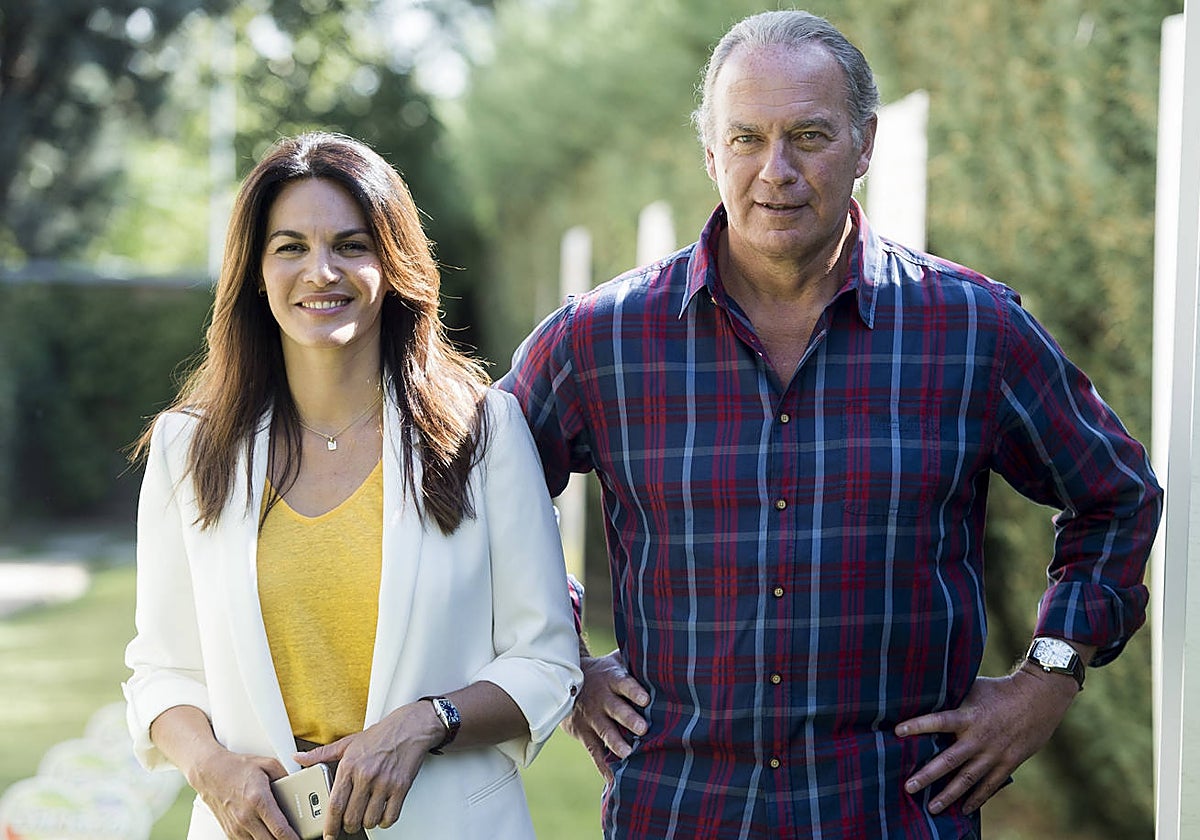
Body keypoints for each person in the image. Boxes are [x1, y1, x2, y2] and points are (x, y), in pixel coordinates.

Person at [498, 10, 1161, 839]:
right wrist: (561, 659)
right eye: (746, 138)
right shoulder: (599, 340)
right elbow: (481, 500)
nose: (776, 170)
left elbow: (1117, 497)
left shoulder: (972, 331)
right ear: (711, 152)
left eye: (809, 135)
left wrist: (1049, 676)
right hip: (677, 811)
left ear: (865, 142)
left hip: (894, 812)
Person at [124, 132, 582, 840]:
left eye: (351, 245)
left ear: (392, 264)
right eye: (291, 247)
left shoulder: (483, 430)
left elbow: (547, 661)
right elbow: (162, 670)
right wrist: (211, 767)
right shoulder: (190, 448)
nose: (321, 272)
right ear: (255, 272)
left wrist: (426, 724)